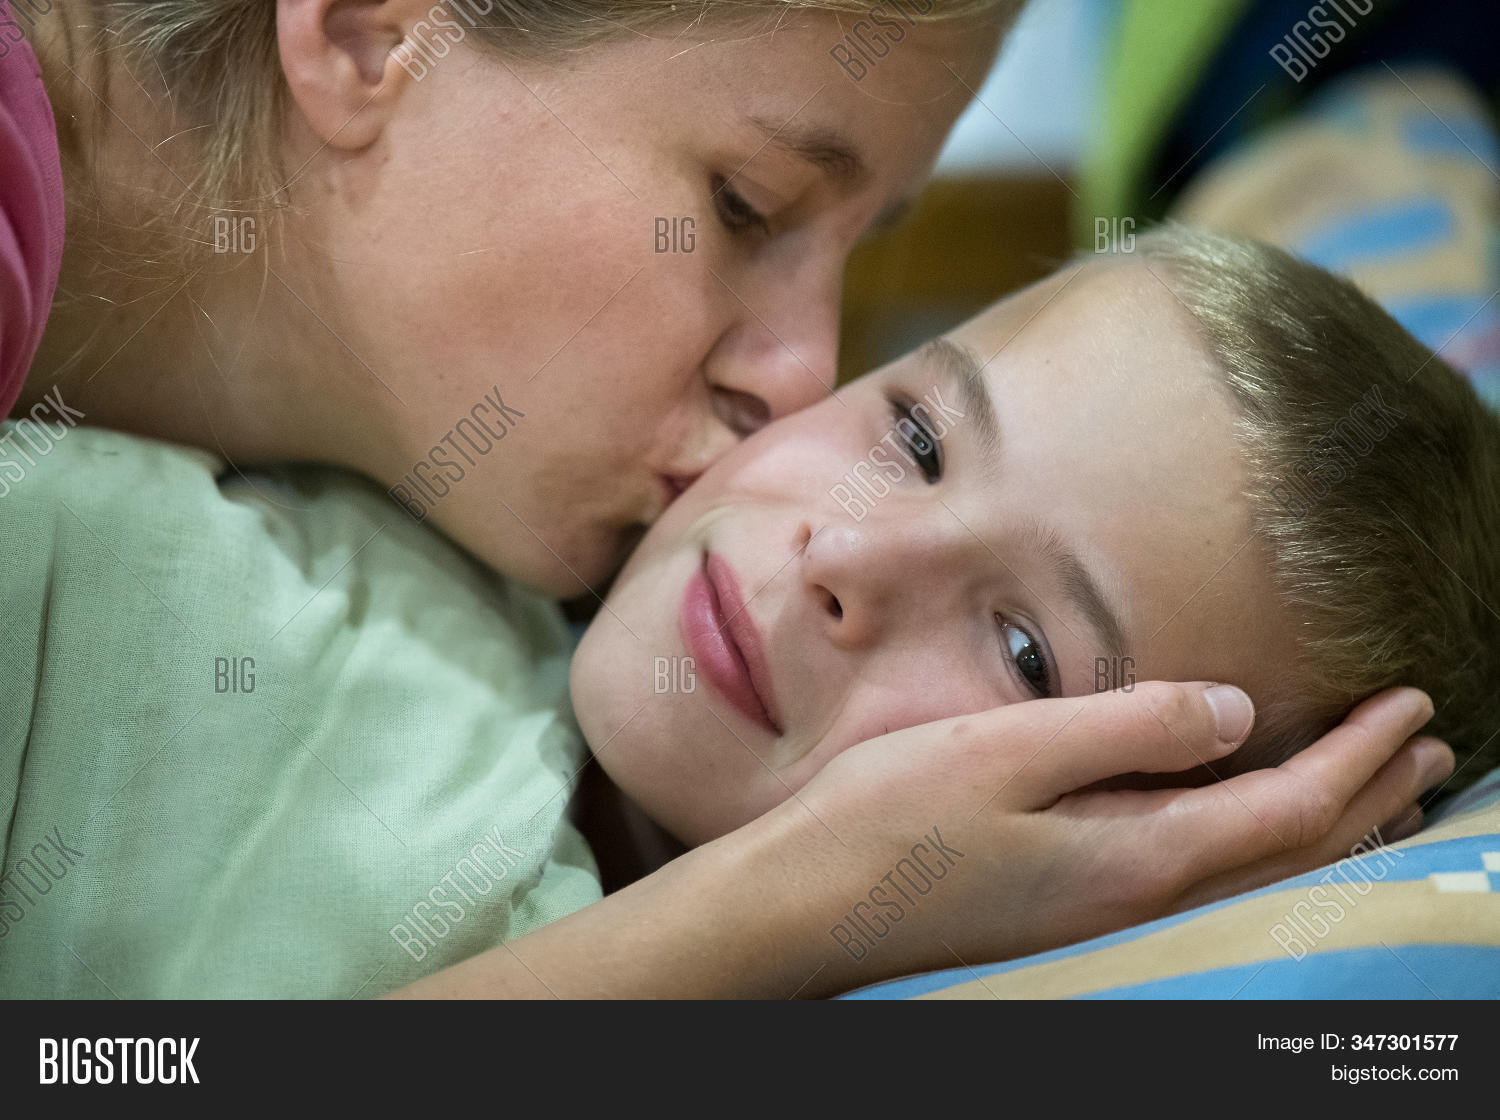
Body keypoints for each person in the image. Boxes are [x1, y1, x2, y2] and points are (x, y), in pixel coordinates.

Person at [0, 225, 1461, 997]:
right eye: (918, 440)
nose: (847, 554)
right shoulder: (385, 521)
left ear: (1147, 856)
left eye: (1025, 652)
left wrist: (799, 913)